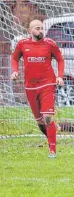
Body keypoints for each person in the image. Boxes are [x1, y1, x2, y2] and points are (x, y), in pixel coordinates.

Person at [10, 19, 65, 158]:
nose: (41, 30)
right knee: (40, 121)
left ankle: (52, 151)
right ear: (30, 31)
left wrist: (60, 76)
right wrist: (15, 71)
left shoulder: (50, 44)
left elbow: (60, 59)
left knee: (47, 117)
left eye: (42, 28)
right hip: (30, 86)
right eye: (37, 28)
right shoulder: (23, 44)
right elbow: (14, 58)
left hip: (47, 84)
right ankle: (52, 132)